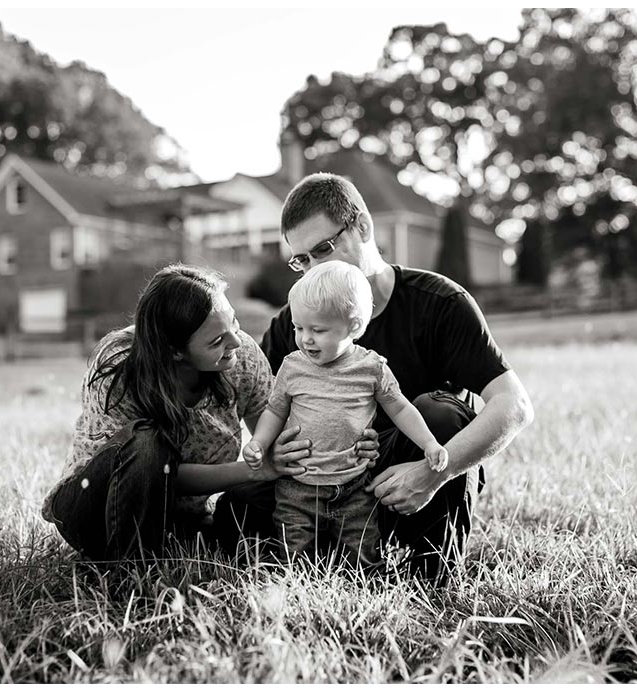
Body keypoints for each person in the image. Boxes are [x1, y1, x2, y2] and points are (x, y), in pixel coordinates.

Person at [252, 172, 534, 583]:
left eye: (323, 250)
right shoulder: (293, 326)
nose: (313, 270)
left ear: (363, 227)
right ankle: (321, 562)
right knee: (239, 503)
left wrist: (436, 471)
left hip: (408, 483)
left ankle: (430, 578)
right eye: (302, 260)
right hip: (322, 485)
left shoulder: (439, 303)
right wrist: (274, 453)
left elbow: (514, 405)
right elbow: (261, 410)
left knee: (439, 413)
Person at [44, 264, 365, 560]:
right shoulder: (118, 367)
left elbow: (277, 442)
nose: (235, 343)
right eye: (216, 341)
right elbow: (152, 473)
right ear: (174, 351)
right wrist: (256, 470)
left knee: (278, 485)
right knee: (146, 444)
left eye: (234, 324)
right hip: (94, 511)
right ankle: (127, 575)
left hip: (183, 519)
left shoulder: (242, 358)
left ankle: (334, 550)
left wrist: (337, 445)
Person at [243, 260, 450, 565]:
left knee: (361, 551)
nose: (305, 339)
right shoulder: (293, 365)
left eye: (318, 329)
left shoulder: (371, 368)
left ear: (353, 326)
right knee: (293, 550)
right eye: (298, 328)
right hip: (298, 485)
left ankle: (362, 579)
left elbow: (401, 408)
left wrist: (429, 443)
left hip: (354, 486)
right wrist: (260, 442)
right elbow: (275, 410)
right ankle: (297, 587)